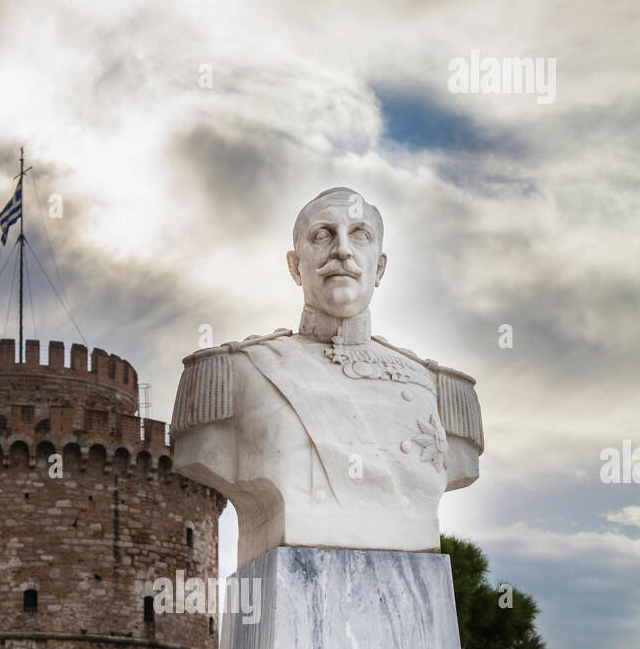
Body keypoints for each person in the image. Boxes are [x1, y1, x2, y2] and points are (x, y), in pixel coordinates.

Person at [171, 187, 484, 570]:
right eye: (322, 235)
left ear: (379, 266)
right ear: (295, 265)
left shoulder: (439, 387)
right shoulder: (232, 371)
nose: (342, 250)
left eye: (359, 234)